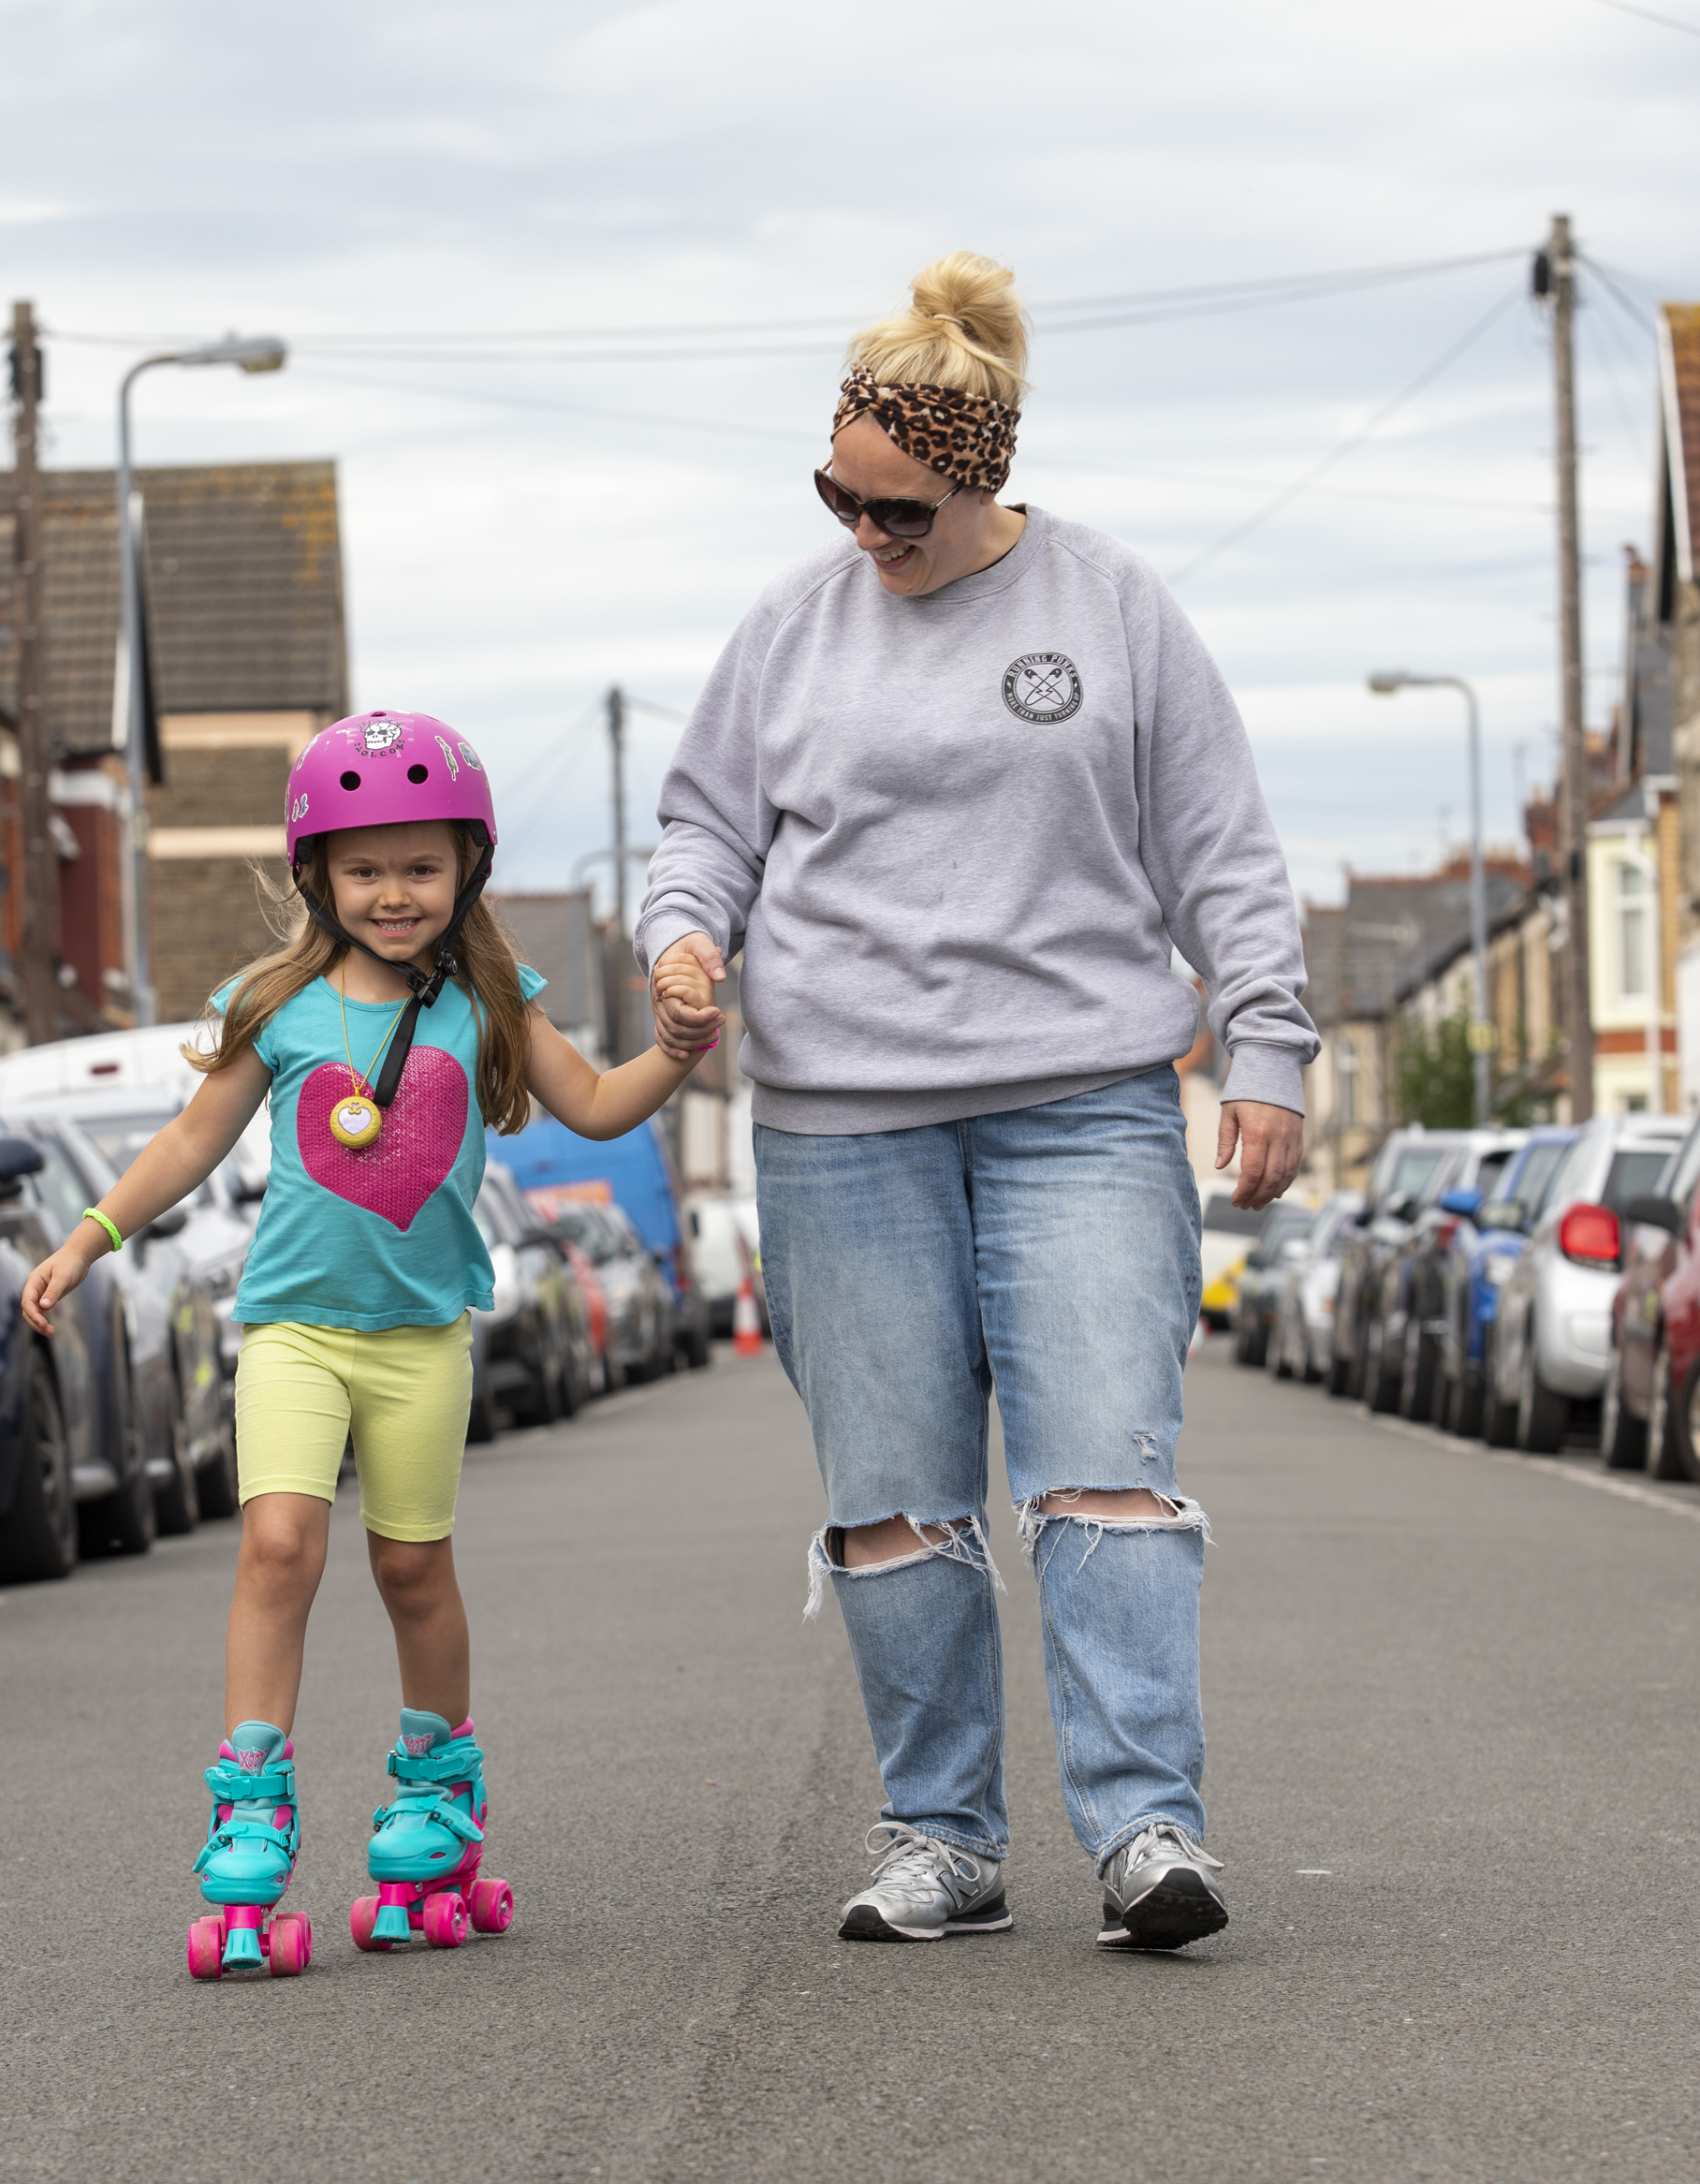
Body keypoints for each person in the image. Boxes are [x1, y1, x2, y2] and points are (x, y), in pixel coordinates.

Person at [638, 252, 1317, 1952]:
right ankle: (941, 1835)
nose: (869, 539)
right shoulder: (791, 627)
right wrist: (683, 938)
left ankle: (1147, 1826)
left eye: (902, 513)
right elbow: (704, 828)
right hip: (840, 1117)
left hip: (1082, 1096)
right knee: (893, 1494)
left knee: (1105, 1469)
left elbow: (1220, 847)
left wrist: (1268, 1043)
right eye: (841, 499)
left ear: (984, 480)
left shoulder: (1113, 608)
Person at [20, 711, 711, 1978]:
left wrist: (672, 1055)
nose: (394, 894)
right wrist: (89, 1235)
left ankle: (438, 1796)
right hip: (291, 1328)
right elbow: (188, 1144)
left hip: (419, 1339)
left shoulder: (492, 1000)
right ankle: (247, 1817)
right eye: (366, 868)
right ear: (318, 877)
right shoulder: (276, 1006)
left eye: (422, 867)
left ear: (467, 872)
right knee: (279, 1547)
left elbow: (601, 1106)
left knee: (411, 1568)